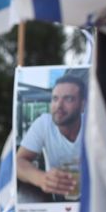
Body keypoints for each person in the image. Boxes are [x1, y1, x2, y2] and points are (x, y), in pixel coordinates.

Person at [16, 74, 85, 203]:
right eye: (55, 98)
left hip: (93, 196)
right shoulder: (44, 123)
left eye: (68, 99)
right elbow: (18, 162)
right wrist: (42, 178)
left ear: (82, 105)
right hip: (60, 194)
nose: (59, 105)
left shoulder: (94, 124)